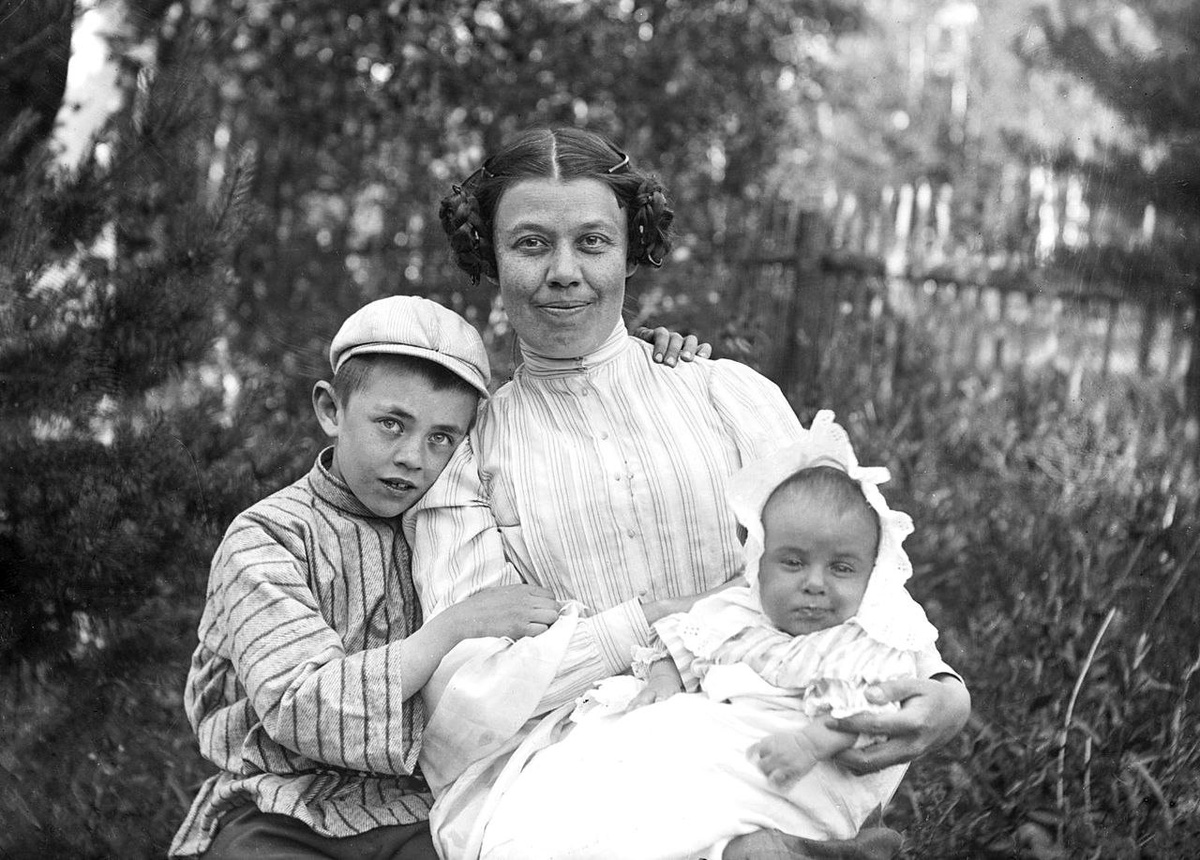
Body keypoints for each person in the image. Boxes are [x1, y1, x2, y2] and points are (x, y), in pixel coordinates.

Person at [410, 126, 970, 860]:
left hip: (771, 717)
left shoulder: (724, 395)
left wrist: (943, 686)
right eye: (531, 244)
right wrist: (646, 622)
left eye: (592, 242)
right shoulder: (470, 453)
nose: (564, 272)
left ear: (629, 249)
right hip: (573, 755)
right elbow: (468, 690)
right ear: (490, 254)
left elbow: (855, 563)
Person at [168, 296, 565, 859]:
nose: (412, 457)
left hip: (422, 812)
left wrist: (649, 363)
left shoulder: (453, 523)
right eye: (391, 424)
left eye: (442, 437)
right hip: (281, 810)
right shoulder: (268, 537)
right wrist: (454, 627)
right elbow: (300, 706)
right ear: (331, 410)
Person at [478, 410, 941, 859]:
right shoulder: (741, 611)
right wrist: (664, 679)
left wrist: (810, 743)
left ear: (872, 575)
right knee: (605, 768)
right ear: (759, 562)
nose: (815, 583)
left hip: (799, 765)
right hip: (715, 737)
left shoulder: (866, 641)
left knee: (722, 823)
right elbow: (684, 641)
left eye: (841, 568)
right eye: (793, 562)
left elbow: (869, 714)